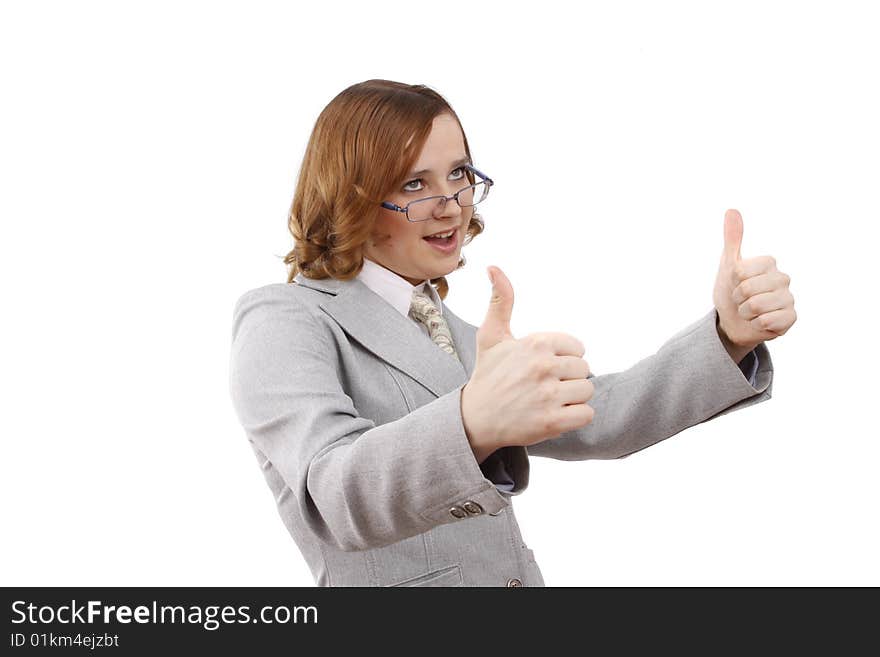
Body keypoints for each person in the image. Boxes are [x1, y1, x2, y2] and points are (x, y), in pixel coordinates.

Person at [228, 79, 797, 587]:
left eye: (458, 173)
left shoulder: (451, 331)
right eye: (413, 184)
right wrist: (472, 421)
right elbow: (333, 495)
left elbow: (603, 415)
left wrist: (729, 334)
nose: (451, 205)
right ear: (350, 197)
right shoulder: (283, 319)